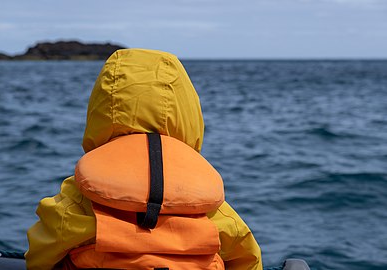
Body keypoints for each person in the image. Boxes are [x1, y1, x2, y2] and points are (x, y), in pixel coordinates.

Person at [25, 48, 262, 270]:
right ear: (188, 113)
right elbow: (248, 258)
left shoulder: (79, 198)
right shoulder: (210, 207)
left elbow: (40, 255)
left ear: (101, 110)